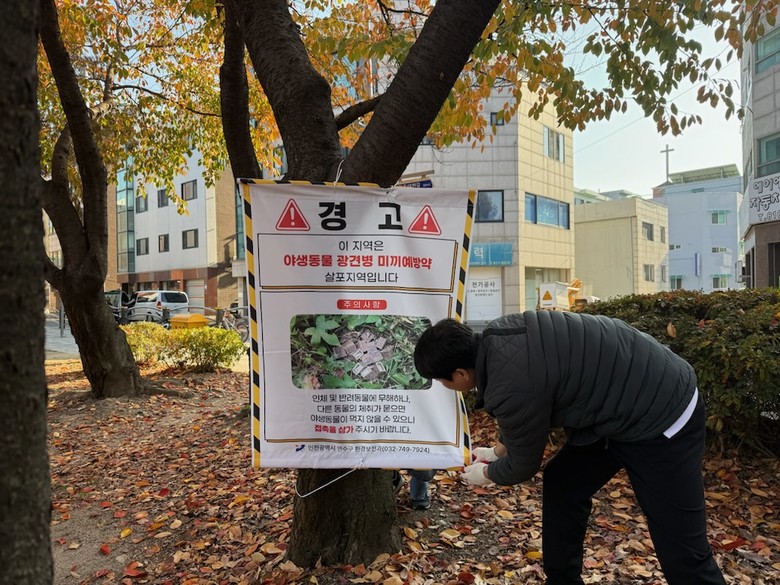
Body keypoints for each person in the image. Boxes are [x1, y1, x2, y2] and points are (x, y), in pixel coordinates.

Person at [413, 312, 726, 585]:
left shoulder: (510, 382)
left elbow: (523, 465)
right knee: (563, 483)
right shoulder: (498, 338)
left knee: (682, 551)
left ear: (460, 374)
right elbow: (528, 409)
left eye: (442, 381)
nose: (445, 387)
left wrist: (486, 474)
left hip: (663, 415)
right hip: (615, 410)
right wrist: (497, 452)